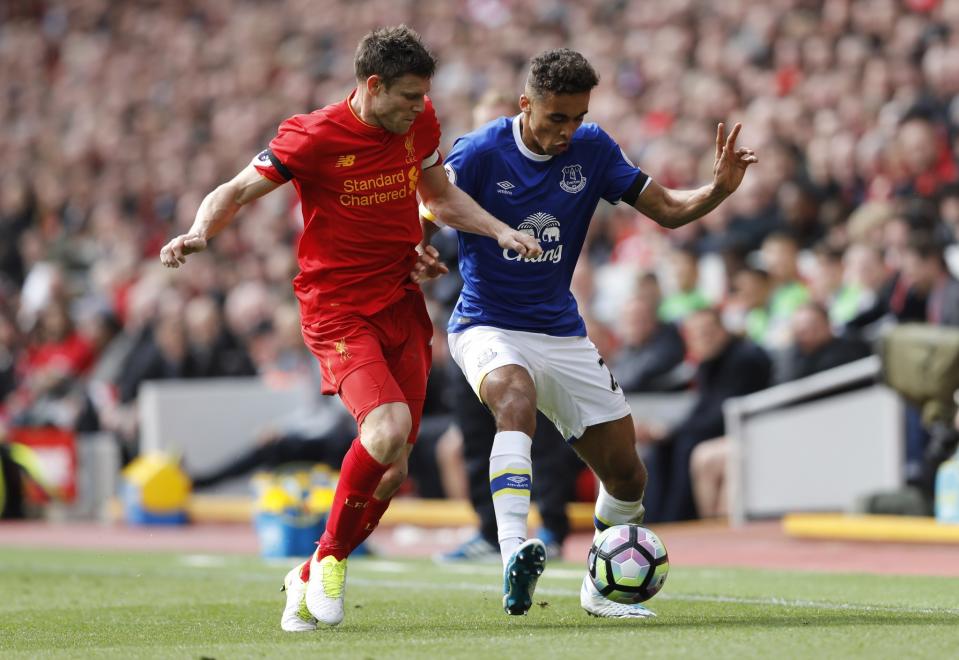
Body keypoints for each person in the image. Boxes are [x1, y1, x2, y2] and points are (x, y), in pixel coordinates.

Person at [159, 26, 541, 632]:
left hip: (401, 301)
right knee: (386, 431)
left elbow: (438, 197)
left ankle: (305, 573)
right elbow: (234, 190)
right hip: (338, 311)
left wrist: (494, 230)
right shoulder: (312, 136)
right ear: (372, 86)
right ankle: (331, 559)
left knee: (394, 467)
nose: (422, 108)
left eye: (424, 97)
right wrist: (202, 231)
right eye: (410, 96)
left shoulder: (419, 124)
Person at [422, 48, 757, 618]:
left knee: (627, 474)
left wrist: (718, 189)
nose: (568, 131)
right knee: (514, 397)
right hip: (486, 323)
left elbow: (668, 210)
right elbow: (432, 203)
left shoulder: (594, 147)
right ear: (526, 104)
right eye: (557, 118)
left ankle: (600, 590)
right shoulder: (479, 151)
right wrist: (434, 248)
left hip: (559, 331)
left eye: (578, 117)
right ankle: (511, 549)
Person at [639, 308, 771, 523]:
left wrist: (670, 431)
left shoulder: (745, 358)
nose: (704, 338)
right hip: (721, 428)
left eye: (709, 331)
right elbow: (703, 410)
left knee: (686, 443)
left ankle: (678, 519)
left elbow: (722, 413)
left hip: (751, 430)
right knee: (662, 447)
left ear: (722, 330)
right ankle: (656, 520)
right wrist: (666, 432)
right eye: (697, 334)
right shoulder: (710, 362)